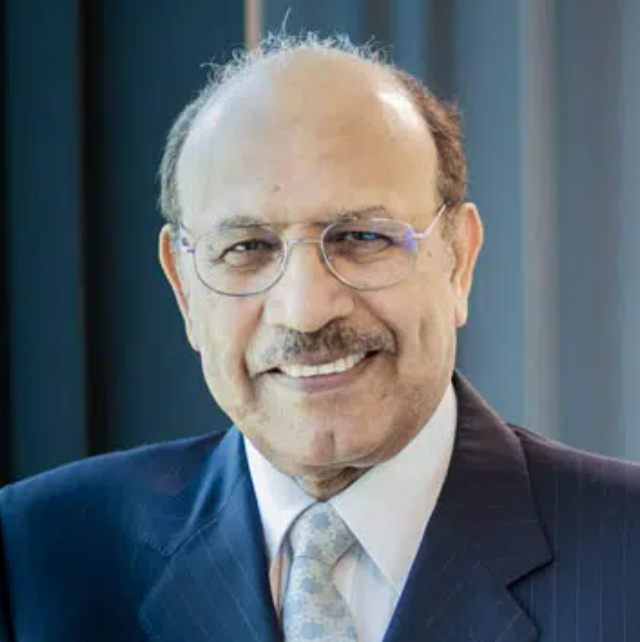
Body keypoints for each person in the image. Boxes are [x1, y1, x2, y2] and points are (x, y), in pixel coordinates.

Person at [1, 33, 640, 642]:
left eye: (363, 238)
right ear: (183, 289)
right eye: (246, 248)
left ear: (459, 261)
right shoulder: (32, 557)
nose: (305, 312)